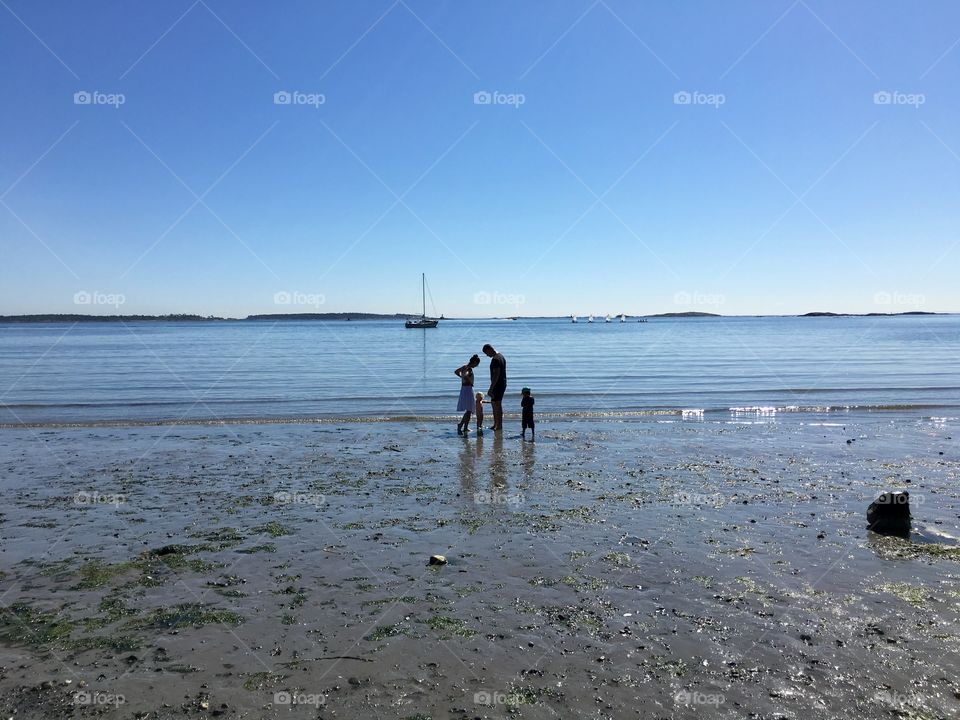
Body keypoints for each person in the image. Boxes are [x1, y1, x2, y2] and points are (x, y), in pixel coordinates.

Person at [481, 343, 506, 431]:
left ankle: (498, 425)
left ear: (489, 349)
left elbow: (496, 374)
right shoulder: (501, 356)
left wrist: (491, 388)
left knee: (496, 405)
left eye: (486, 353)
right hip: (502, 383)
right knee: (496, 404)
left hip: (497, 384)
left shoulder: (496, 359)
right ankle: (496, 424)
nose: (487, 355)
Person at [454, 354, 481, 435]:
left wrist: (462, 377)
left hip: (465, 389)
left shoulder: (464, 366)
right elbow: (465, 374)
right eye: (477, 364)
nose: (477, 366)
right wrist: (467, 380)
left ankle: (463, 426)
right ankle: (462, 426)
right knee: (469, 409)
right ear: (474, 362)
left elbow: (456, 372)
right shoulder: (468, 368)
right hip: (468, 389)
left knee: (468, 409)